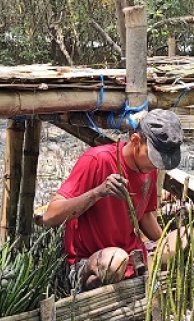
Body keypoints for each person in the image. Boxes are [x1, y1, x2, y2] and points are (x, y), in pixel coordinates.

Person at [41, 109, 184, 295]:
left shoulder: (149, 169)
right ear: (135, 142)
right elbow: (50, 217)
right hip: (94, 260)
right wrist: (98, 192)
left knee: (193, 236)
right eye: (153, 158)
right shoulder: (96, 160)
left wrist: (167, 245)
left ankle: (137, 274)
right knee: (116, 261)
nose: (156, 166)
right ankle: (93, 282)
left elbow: (146, 217)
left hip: (134, 254)